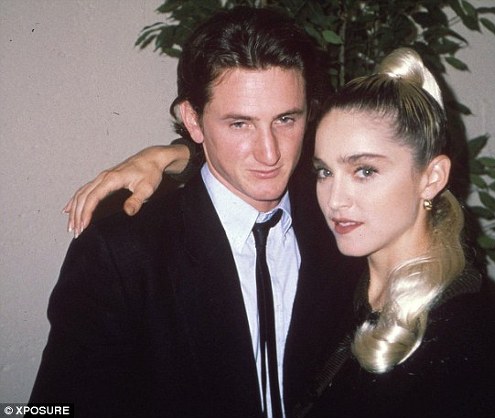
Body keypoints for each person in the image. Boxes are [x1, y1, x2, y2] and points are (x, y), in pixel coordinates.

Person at [62, 46, 495, 418]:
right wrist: (177, 156)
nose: (335, 198)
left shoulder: (465, 326)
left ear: (433, 177)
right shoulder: (343, 246)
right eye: (324, 171)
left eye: (286, 119)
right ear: (194, 121)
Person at [30, 7, 362, 418]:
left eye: (285, 120)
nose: (269, 152)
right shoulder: (121, 255)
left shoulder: (343, 222)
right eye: (240, 124)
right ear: (193, 120)